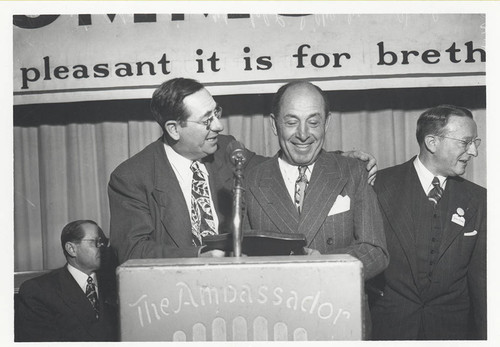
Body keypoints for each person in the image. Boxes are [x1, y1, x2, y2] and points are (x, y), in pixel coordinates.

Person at [108, 77, 377, 264]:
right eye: (206, 120)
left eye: (216, 112)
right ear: (174, 129)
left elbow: (277, 168)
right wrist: (198, 256)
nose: (219, 126)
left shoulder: (226, 149)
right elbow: (132, 250)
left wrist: (338, 160)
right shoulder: (132, 177)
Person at [244, 81, 389, 280]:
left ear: (326, 123)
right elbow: (241, 261)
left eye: (313, 123)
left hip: (338, 304)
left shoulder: (353, 171)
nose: (303, 134)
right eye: (291, 122)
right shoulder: (250, 181)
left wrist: (325, 264)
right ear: (274, 124)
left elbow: (375, 251)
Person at [369, 105, 486, 340]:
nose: (473, 151)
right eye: (465, 142)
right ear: (432, 142)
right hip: (389, 330)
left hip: (453, 333)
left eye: (475, 142)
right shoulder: (377, 187)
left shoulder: (479, 199)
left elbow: (482, 283)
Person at [15, 220, 117, 342]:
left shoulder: (116, 283)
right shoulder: (38, 291)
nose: (102, 247)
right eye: (95, 242)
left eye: (104, 242)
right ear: (71, 249)